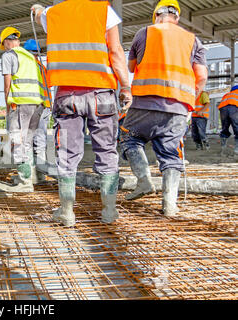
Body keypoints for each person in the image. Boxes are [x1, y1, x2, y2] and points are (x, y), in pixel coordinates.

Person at [32, 0, 133, 226]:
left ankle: (67, 212)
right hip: (101, 94)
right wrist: (125, 86)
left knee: (67, 153)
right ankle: (109, 211)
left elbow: (39, 15)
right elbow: (116, 51)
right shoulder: (104, 11)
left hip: (67, 94)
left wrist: (38, 9)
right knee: (107, 151)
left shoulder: (53, 13)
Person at [120, 0, 208, 217]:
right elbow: (202, 76)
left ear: (156, 15)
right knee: (170, 155)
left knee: (130, 138)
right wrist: (189, 101)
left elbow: (130, 66)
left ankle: (143, 181)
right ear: (176, 17)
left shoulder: (144, 33)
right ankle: (169, 205)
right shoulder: (192, 40)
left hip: (144, 104)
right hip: (178, 107)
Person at [0, 26, 46, 192]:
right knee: (27, 142)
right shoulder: (31, 57)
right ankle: (30, 178)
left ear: (6, 42)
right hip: (37, 104)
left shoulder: (9, 55)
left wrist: (7, 105)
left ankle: (24, 183)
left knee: (17, 141)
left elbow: (7, 83)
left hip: (20, 103)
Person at [23, 39, 52, 184]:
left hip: (37, 106)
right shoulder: (41, 65)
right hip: (44, 105)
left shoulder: (30, 66)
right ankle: (40, 174)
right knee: (39, 140)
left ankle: (32, 176)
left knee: (30, 139)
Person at [217, 85, 238, 155]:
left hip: (223, 109)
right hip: (233, 108)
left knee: (224, 128)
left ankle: (223, 149)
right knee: (237, 128)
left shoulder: (227, 94)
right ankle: (236, 149)